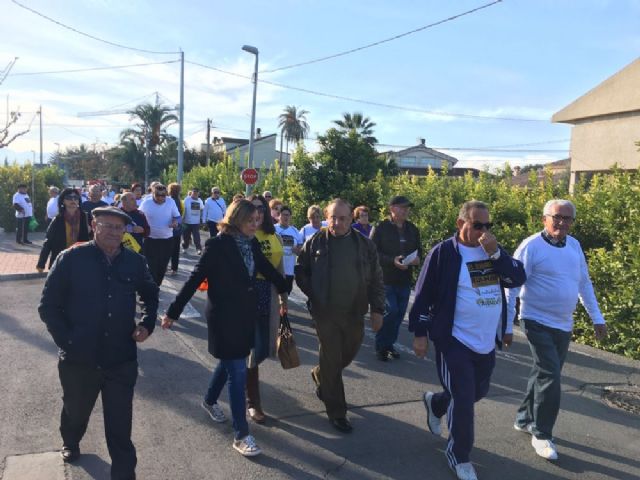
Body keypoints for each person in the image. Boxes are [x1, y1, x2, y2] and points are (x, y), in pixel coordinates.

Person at [38, 206, 159, 480]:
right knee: (76, 411)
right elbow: (48, 306)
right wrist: (68, 341)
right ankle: (71, 439)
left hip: (121, 359)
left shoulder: (135, 262)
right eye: (108, 226)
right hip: (79, 359)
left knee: (120, 427)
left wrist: (147, 323)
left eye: (120, 227)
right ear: (94, 225)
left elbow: (151, 295)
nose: (115, 232)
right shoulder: (70, 258)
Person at [408, 200, 526, 480]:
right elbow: (423, 295)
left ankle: (435, 404)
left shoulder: (491, 252)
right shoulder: (444, 253)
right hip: (454, 340)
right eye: (477, 225)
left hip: (485, 341)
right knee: (463, 399)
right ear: (461, 224)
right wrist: (420, 333)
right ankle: (459, 455)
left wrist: (497, 254)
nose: (483, 231)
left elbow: (518, 276)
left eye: (488, 226)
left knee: (476, 393)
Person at [162, 199, 288, 457]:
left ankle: (209, 400)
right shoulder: (217, 245)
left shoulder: (251, 243)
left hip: (245, 314)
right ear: (236, 219)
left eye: (257, 221)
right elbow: (195, 278)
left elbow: (265, 267)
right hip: (223, 316)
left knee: (231, 362)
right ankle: (241, 434)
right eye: (250, 221)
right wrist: (173, 311)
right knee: (238, 371)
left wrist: (287, 286)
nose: (255, 225)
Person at [507, 199, 607, 461]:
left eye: (567, 219)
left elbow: (584, 283)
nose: (562, 223)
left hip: (563, 323)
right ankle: (541, 434)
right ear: (544, 219)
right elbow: (512, 286)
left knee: (544, 372)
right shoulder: (531, 246)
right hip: (535, 320)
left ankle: (523, 418)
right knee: (550, 375)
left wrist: (597, 317)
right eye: (557, 217)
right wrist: (507, 324)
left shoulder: (573, 245)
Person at [295, 199, 385, 433]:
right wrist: (314, 294)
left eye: (343, 218)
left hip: (355, 311)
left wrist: (377, 310)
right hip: (325, 313)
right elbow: (300, 270)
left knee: (347, 354)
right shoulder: (315, 242)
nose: (338, 222)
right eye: (333, 217)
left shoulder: (365, 245)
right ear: (327, 216)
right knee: (333, 358)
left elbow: (376, 279)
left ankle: (320, 374)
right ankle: (337, 412)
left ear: (351, 219)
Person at [245, 194, 285, 424]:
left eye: (261, 208)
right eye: (253, 208)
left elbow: (279, 266)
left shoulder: (274, 234)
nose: (257, 212)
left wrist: (283, 297)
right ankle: (253, 401)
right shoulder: (245, 235)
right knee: (253, 349)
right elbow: (257, 263)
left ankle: (240, 382)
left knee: (263, 348)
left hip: (269, 294)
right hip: (249, 294)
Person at [371, 195, 422, 361]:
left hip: (404, 280)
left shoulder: (413, 229)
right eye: (402, 207)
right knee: (390, 312)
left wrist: (416, 259)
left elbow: (419, 252)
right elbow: (372, 253)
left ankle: (389, 344)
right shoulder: (381, 228)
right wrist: (391, 260)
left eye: (407, 208)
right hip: (385, 280)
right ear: (392, 209)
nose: (406, 210)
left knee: (399, 314)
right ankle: (381, 347)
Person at [37, 188, 90, 272]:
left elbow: (92, 240)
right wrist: (41, 263)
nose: (73, 200)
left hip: (80, 261)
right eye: (69, 198)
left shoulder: (85, 217)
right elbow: (48, 242)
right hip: (61, 261)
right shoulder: (58, 220)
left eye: (75, 197)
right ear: (63, 201)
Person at [139, 184, 180, 286]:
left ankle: (156, 286)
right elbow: (138, 215)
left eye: (163, 195)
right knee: (152, 266)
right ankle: (152, 289)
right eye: (158, 195)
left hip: (167, 240)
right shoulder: (146, 203)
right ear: (153, 193)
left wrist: (175, 222)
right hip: (150, 239)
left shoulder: (171, 202)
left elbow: (178, 217)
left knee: (162, 266)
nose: (161, 198)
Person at [275, 206, 302, 293]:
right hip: (276, 268)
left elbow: (300, 251)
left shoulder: (295, 231)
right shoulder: (273, 229)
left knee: (287, 293)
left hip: (289, 269)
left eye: (288, 215)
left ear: (290, 217)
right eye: (283, 215)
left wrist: (297, 250)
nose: (286, 217)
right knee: (275, 295)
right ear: (279, 216)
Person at [168, 183, 184, 275]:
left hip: (171, 227)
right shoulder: (179, 200)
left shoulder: (170, 201)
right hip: (178, 227)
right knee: (176, 249)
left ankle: (166, 266)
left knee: (167, 248)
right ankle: (174, 268)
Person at [182, 188, 204, 255]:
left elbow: (202, 210)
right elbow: (183, 209)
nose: (195, 193)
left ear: (198, 193)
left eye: (196, 192)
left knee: (196, 237)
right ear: (191, 192)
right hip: (187, 222)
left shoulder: (200, 201)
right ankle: (185, 248)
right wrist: (182, 219)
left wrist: (202, 219)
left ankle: (198, 249)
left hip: (196, 222)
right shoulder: (187, 199)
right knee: (186, 237)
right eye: (194, 192)